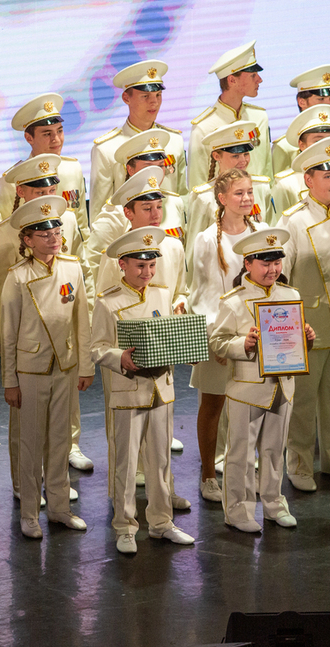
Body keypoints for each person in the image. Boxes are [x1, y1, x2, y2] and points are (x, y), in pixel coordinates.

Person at [91, 227, 196, 554]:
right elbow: (97, 348)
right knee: (125, 463)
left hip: (161, 389)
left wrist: (184, 344)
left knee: (160, 461)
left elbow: (169, 336)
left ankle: (162, 522)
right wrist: (119, 357)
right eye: (140, 266)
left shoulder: (162, 294)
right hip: (128, 391)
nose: (147, 272)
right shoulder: (108, 302)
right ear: (122, 264)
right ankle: (125, 526)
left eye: (151, 265)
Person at [0, 197, 94, 539]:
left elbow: (82, 321)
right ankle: (29, 512)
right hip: (31, 369)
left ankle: (59, 508)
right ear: (27, 240)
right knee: (30, 443)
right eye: (43, 233)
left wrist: (85, 365)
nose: (53, 238)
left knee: (60, 441)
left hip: (65, 365)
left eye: (56, 231)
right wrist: (10, 380)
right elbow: (7, 333)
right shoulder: (17, 277)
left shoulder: (72, 267)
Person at [210, 228, 316, 532]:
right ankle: (238, 511)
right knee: (240, 454)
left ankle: (274, 503)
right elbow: (217, 342)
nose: (273, 270)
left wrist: (307, 339)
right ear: (248, 263)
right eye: (265, 263)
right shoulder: (233, 301)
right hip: (247, 389)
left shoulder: (290, 295)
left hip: (283, 383)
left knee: (274, 450)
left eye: (277, 262)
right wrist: (243, 344)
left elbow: (293, 342)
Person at [93, 167, 191, 494]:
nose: (155, 214)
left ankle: (164, 491)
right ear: (128, 212)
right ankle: (121, 492)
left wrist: (179, 305)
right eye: (146, 208)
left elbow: (181, 289)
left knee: (162, 427)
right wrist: (117, 354)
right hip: (127, 353)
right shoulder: (117, 254)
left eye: (158, 206)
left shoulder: (172, 246)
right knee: (124, 428)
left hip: (162, 345)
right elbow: (107, 302)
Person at [280, 136, 330, 491]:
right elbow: (281, 278)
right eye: (326, 175)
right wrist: (289, 325)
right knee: (302, 399)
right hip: (309, 325)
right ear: (308, 179)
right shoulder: (293, 221)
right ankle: (298, 463)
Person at [189, 167, 266, 502]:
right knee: (213, 403)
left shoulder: (262, 231)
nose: (246, 198)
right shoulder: (208, 239)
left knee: (251, 405)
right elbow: (202, 293)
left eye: (249, 192)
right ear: (221, 198)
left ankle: (245, 470)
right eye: (239, 193)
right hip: (219, 334)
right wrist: (216, 340)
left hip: (254, 335)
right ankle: (208, 474)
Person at [86, 130, 186, 302]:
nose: (155, 172)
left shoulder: (174, 202)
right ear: (130, 169)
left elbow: (178, 268)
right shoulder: (114, 214)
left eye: (160, 166)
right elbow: (97, 267)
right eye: (148, 166)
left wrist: (180, 301)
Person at [89, 60, 187, 216]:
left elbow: (182, 199)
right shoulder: (106, 150)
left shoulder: (174, 141)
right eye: (145, 96)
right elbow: (99, 213)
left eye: (158, 95)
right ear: (126, 98)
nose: (154, 102)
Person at [0, 94, 89, 233]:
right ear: (29, 138)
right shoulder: (11, 181)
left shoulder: (73, 169)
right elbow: (6, 232)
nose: (56, 139)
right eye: (47, 134)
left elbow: (82, 226)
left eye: (59, 131)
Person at [184, 122, 272, 266]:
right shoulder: (203, 197)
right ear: (216, 156)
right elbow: (194, 252)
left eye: (246, 154)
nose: (243, 160)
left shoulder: (261, 188)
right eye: (235, 156)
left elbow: (270, 236)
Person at [188, 41, 272, 185]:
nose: (260, 79)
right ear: (232, 80)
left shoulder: (259, 117)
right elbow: (197, 186)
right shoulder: (203, 127)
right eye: (252, 75)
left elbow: (267, 174)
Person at [268, 105, 330, 223]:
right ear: (302, 145)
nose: (325, 146)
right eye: (318, 141)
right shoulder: (285, 185)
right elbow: (279, 227)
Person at [269, 64, 330, 176]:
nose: (329, 104)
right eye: (321, 99)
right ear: (301, 102)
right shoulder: (284, 147)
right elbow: (279, 184)